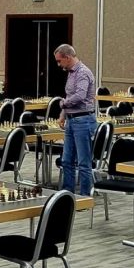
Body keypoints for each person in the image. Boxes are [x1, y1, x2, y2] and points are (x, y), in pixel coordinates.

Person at [55, 44, 97, 196]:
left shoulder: (83, 72)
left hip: (83, 121)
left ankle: (84, 197)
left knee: (83, 163)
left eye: (59, 61)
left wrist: (63, 104)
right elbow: (69, 96)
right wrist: (63, 114)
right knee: (66, 161)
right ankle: (68, 195)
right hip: (72, 120)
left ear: (67, 57)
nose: (59, 65)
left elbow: (79, 96)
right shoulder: (71, 73)